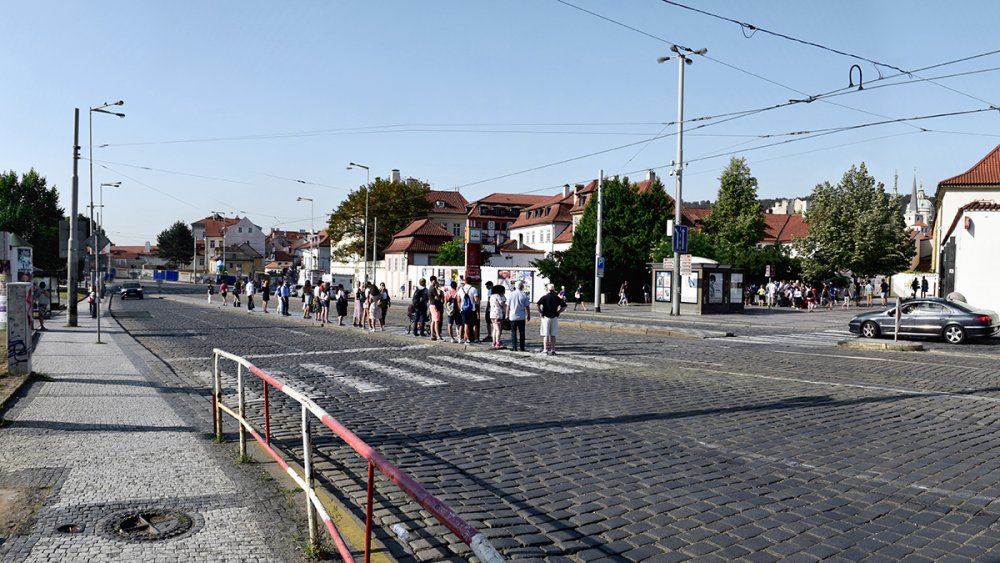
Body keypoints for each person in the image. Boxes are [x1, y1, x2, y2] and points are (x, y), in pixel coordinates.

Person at [537, 284, 566, 355]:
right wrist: (558, 312)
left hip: (546, 317)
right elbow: (564, 306)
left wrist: (540, 312)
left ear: (547, 289)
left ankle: (545, 350)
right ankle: (553, 349)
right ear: (554, 290)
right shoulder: (557, 298)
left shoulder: (544, 297)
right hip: (554, 316)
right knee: (553, 335)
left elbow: (538, 304)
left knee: (546, 334)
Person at [507, 280, 531, 351]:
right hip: (521, 316)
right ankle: (522, 347)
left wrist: (506, 314)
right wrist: (528, 315)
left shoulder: (511, 294)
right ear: (521, 286)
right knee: (522, 332)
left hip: (512, 316)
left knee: (513, 332)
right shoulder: (524, 294)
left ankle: (514, 347)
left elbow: (507, 306)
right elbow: (527, 306)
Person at [457, 279, 479, 344]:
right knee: (474, 324)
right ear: (471, 282)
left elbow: (458, 300)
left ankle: (468, 339)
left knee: (466, 324)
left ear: (465, 282)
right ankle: (475, 339)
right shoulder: (474, 289)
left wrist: (460, 309)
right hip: (472, 309)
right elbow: (476, 300)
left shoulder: (461, 289)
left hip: (463, 310)